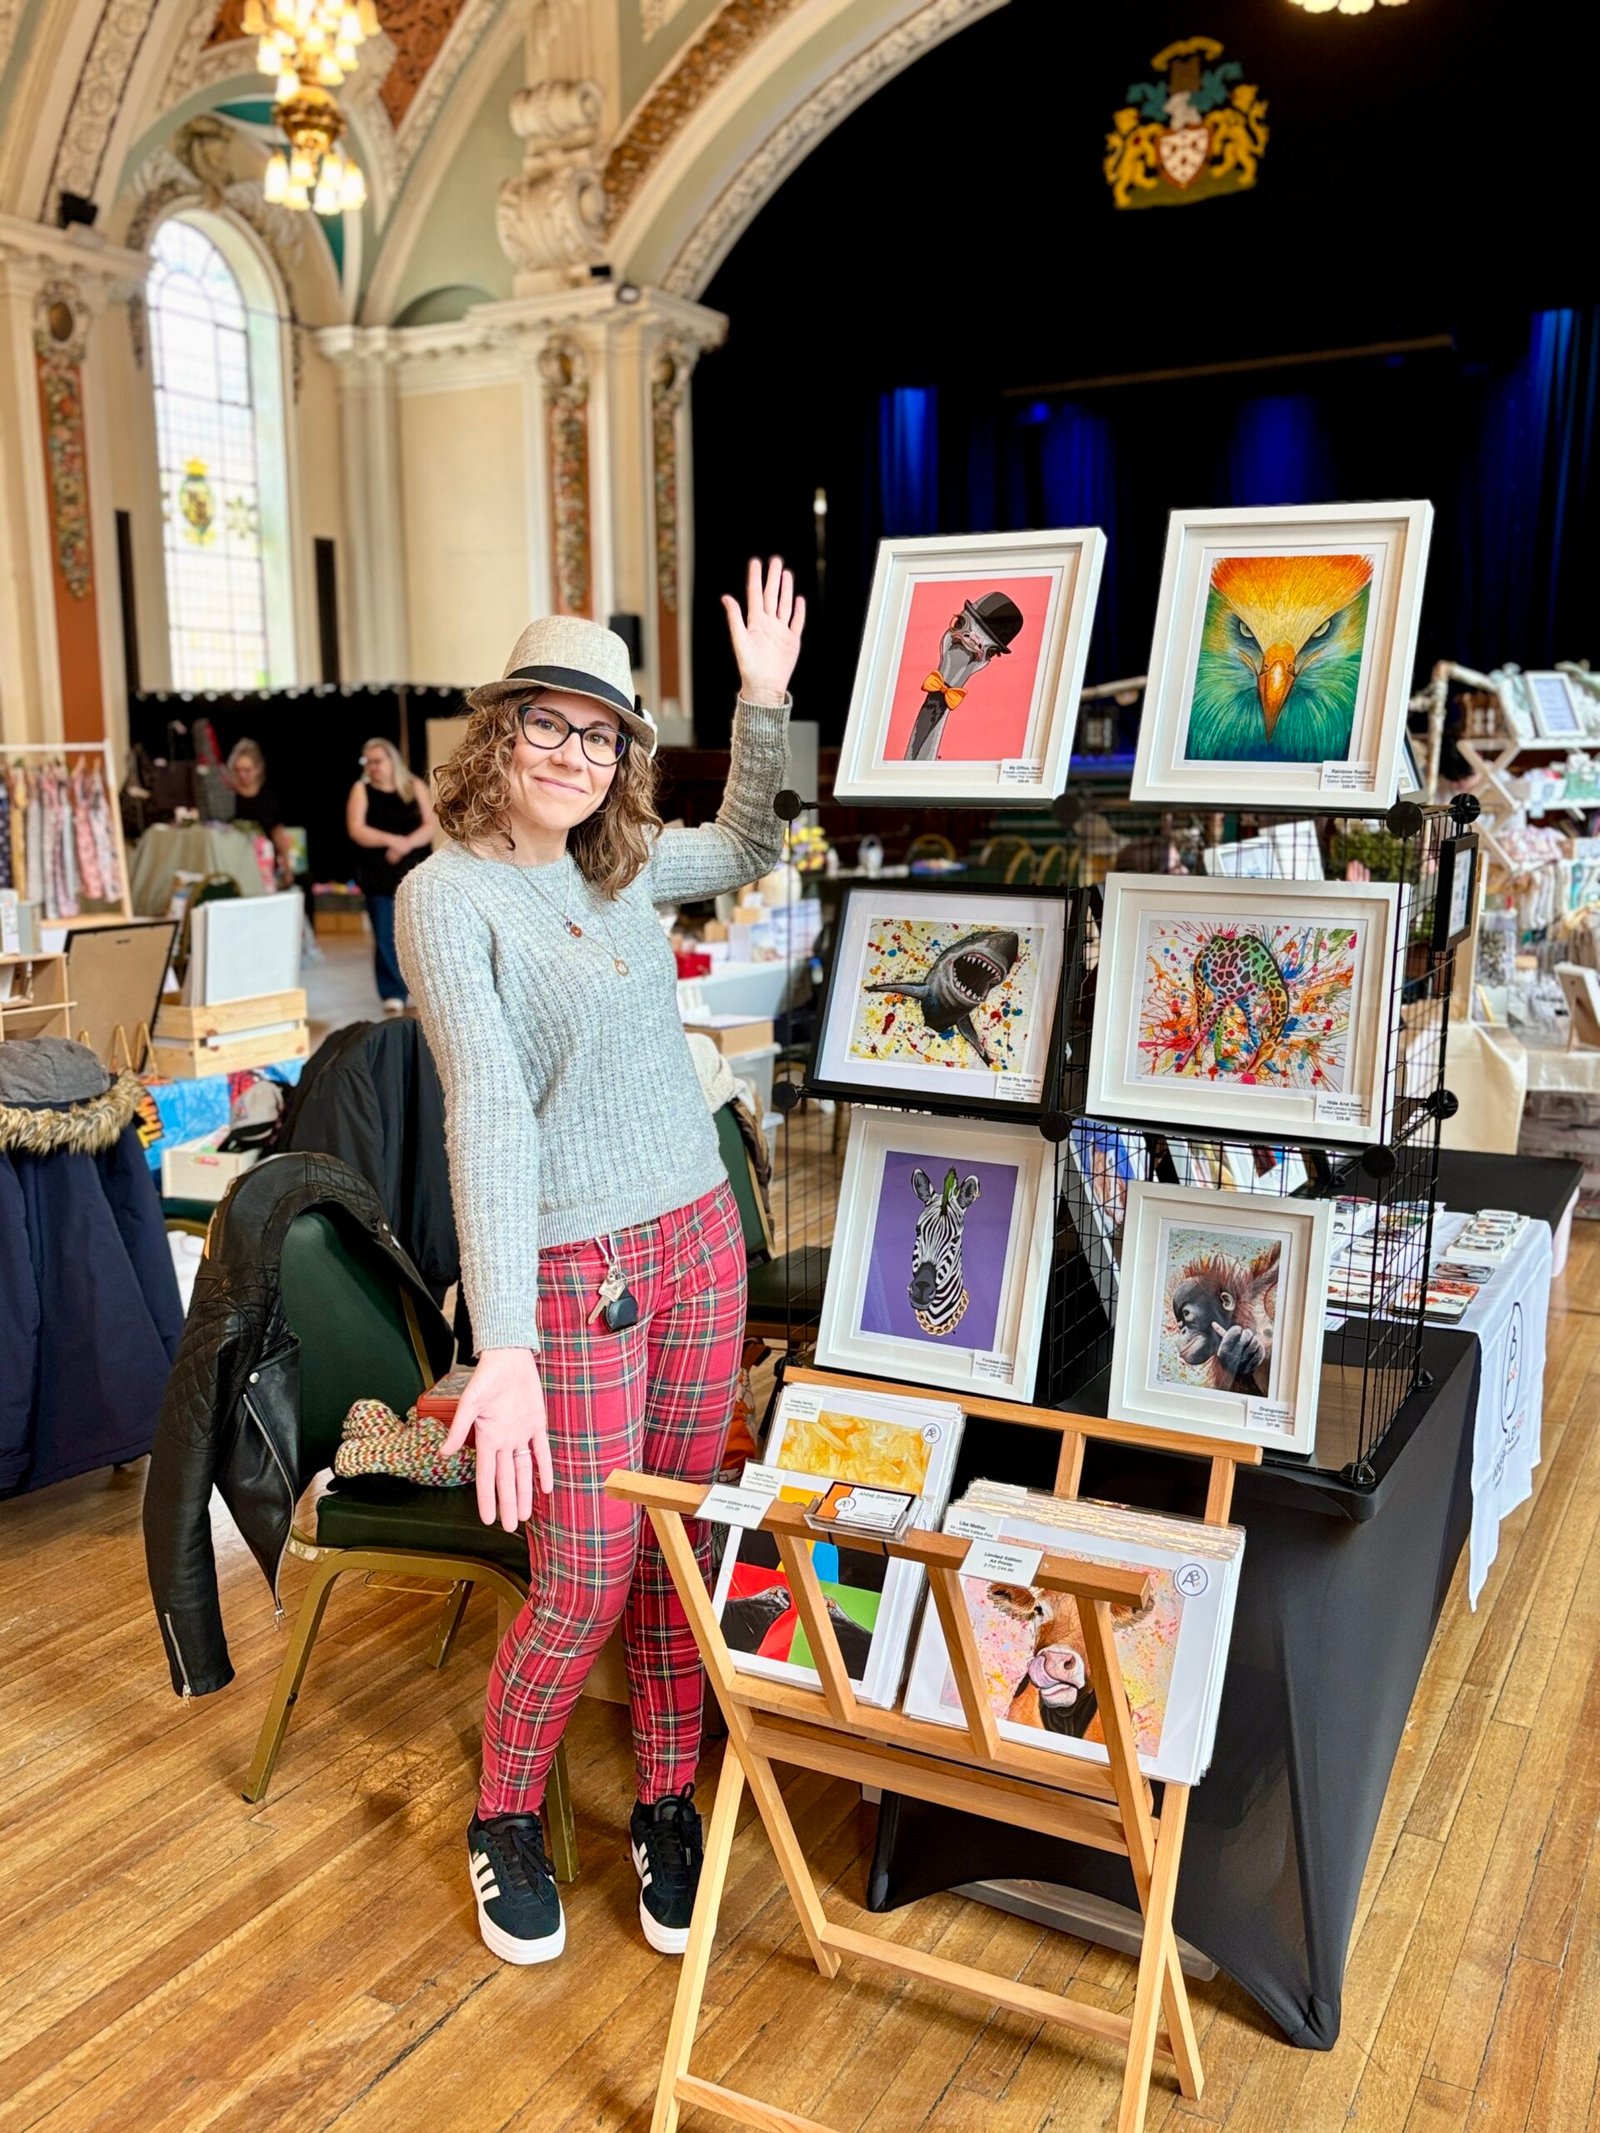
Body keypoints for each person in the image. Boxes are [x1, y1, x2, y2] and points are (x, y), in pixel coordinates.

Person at [396, 560, 803, 1969]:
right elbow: (487, 1114)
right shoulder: (447, 901)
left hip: (699, 1238)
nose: (572, 755)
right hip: (572, 1273)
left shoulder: (622, 868)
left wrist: (761, 701)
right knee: (584, 1567)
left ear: (625, 753)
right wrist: (500, 1338)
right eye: (546, 725)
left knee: (676, 1543)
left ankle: (667, 1796)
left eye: (601, 734)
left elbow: (754, 838)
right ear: (498, 734)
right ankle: (507, 1810)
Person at [346, 738, 436, 1013]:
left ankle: (417, 988)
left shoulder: (413, 786)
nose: (372, 767)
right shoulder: (362, 790)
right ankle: (392, 990)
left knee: (416, 933)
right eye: (367, 762)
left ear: (391, 760)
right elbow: (357, 828)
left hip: (412, 870)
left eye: (377, 761)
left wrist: (405, 844)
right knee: (385, 933)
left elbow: (430, 825)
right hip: (377, 874)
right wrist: (392, 840)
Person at [225, 739, 297, 886]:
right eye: (238, 770)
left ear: (258, 769)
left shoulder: (268, 798)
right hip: (233, 866)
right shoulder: (227, 797)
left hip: (264, 868)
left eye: (247, 770)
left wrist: (288, 869)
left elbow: (278, 833)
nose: (242, 775)